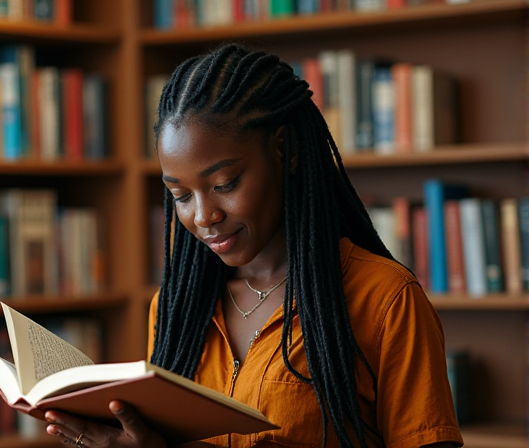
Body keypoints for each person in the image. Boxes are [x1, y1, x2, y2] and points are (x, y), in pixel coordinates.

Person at [43, 44, 464, 448]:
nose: (204, 216)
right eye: (181, 196)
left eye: (224, 185)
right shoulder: (174, 308)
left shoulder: (385, 299)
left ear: (285, 151)